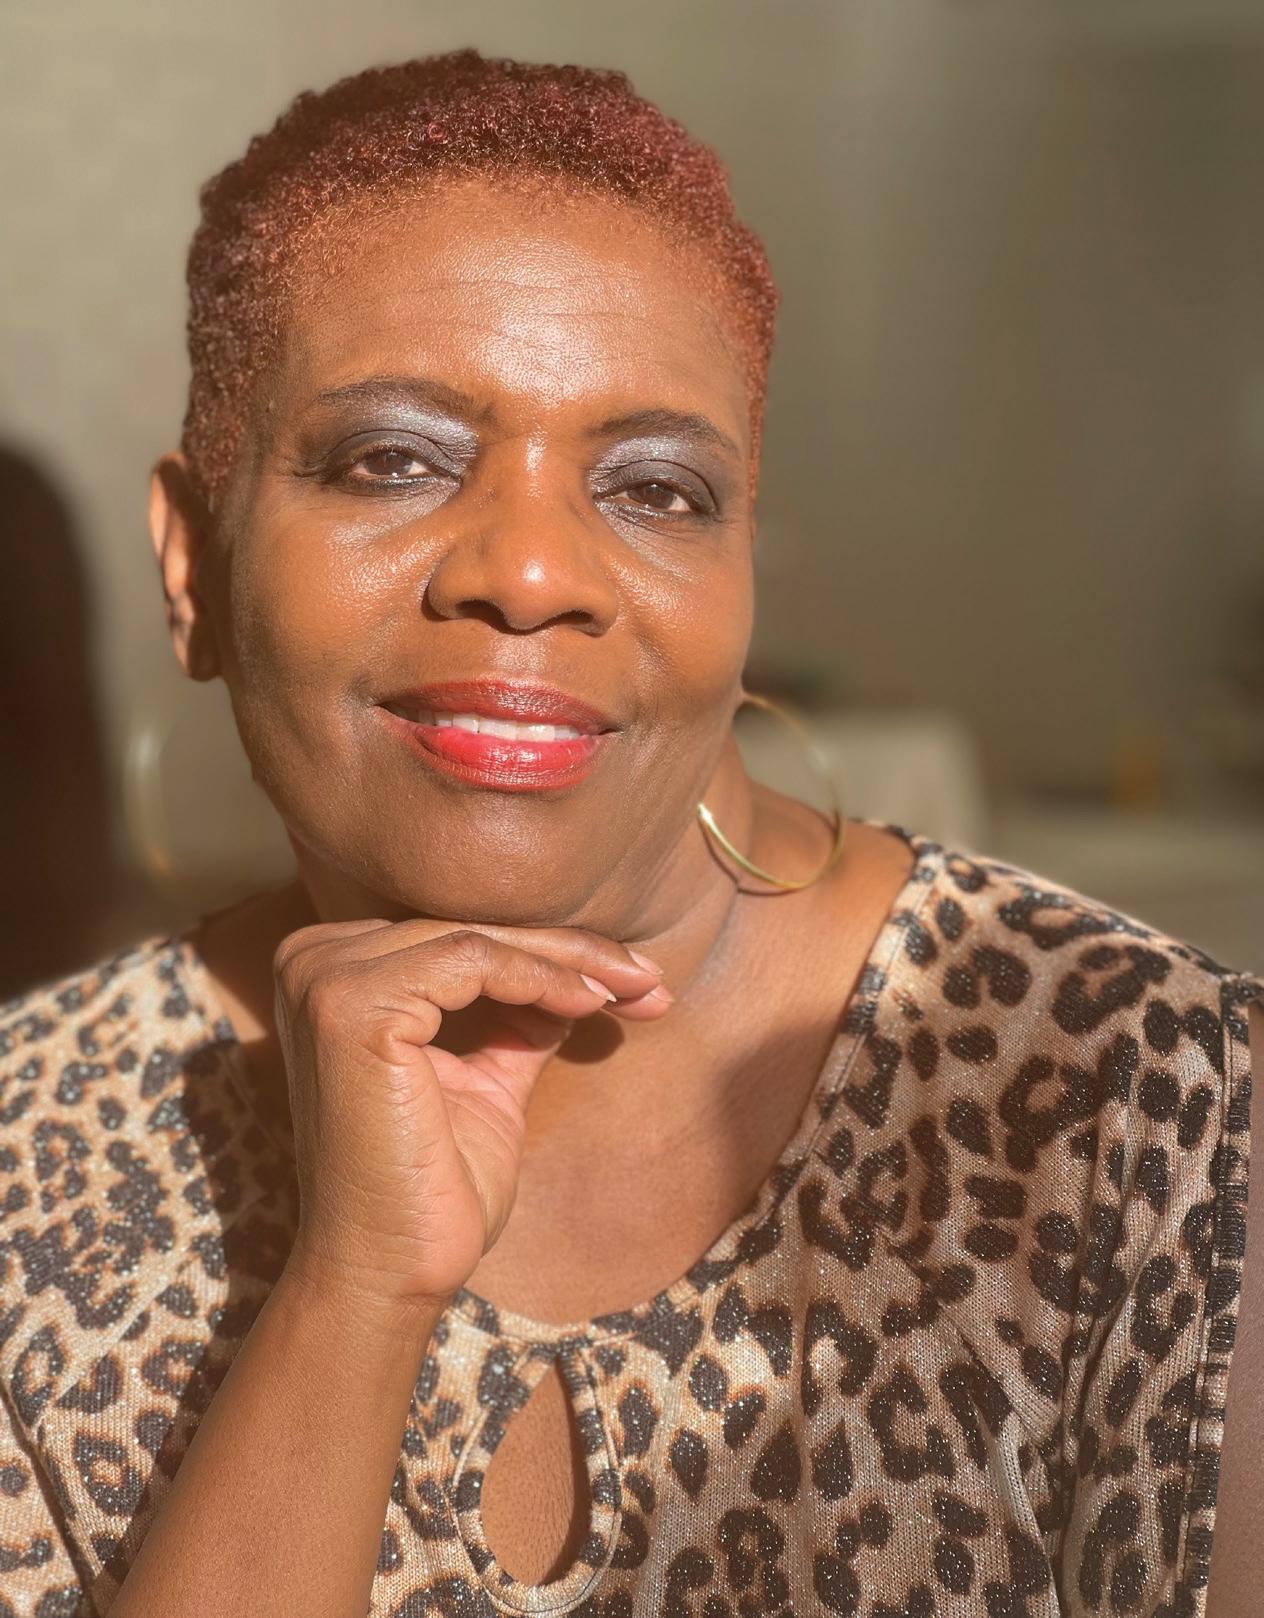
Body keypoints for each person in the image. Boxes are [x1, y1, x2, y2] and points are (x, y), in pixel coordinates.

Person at [0, 48, 1260, 1618]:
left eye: (657, 489)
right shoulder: (28, 1161)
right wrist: (352, 1290)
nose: (533, 572)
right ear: (194, 561)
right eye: (395, 459)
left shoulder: (1146, 1101)